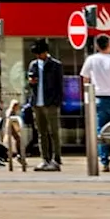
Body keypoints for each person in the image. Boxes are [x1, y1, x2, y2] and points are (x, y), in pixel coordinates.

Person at [81, 34, 110, 172]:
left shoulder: (91, 60)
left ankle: (104, 161)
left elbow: (85, 79)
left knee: (100, 131)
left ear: (96, 46)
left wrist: (87, 98)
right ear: (109, 44)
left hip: (97, 99)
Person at [27, 38, 63, 171]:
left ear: (45, 52)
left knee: (54, 132)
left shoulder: (55, 65)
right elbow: (30, 83)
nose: (38, 56)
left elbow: (60, 86)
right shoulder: (33, 65)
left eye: (39, 53)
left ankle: (56, 159)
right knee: (41, 133)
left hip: (51, 103)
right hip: (37, 103)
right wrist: (31, 82)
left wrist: (57, 102)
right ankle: (45, 159)